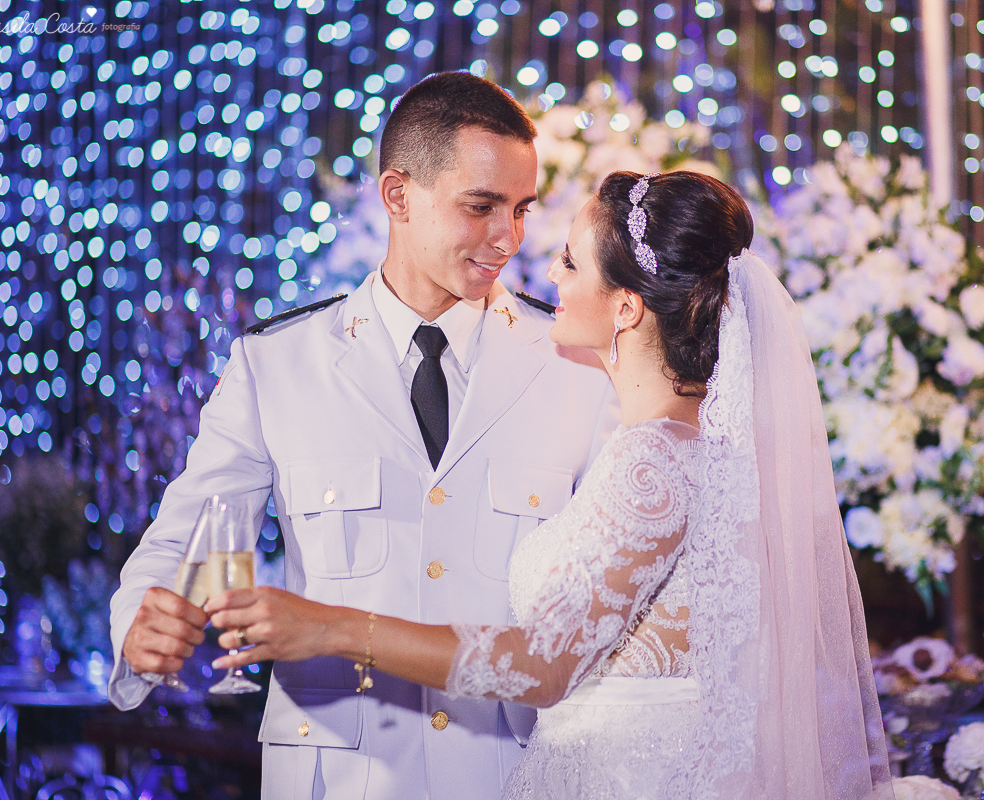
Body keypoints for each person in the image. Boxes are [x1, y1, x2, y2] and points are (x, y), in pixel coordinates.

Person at [205, 170, 896, 799]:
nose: (548, 275)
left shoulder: (653, 462)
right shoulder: (694, 447)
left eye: (571, 261)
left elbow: (542, 664)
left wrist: (325, 626)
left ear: (625, 308)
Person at [107, 72, 620, 799]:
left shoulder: (578, 366)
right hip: (334, 779)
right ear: (397, 196)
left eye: (520, 209)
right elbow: (187, 543)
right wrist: (140, 624)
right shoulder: (275, 363)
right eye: (481, 207)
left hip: (513, 775)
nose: (508, 238)